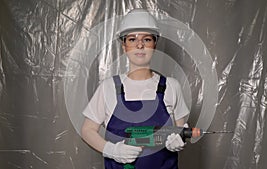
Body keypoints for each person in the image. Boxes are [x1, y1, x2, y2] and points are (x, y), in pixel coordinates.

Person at [81, 8, 190, 169]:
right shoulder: (109, 87)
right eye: (132, 39)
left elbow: (179, 130)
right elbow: (87, 130)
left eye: (146, 39)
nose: (139, 45)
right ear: (124, 46)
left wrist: (178, 141)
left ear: (154, 44)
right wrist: (112, 150)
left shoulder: (171, 87)